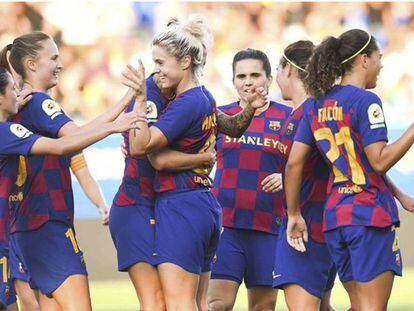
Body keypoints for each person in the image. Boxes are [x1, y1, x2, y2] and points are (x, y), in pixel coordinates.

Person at [127, 15, 268, 311]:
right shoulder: (204, 97)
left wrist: (140, 102)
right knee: (199, 303)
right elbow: (231, 127)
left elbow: (144, 148)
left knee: (179, 303)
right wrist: (248, 112)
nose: (156, 73)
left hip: (181, 204)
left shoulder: (184, 102)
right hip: (204, 203)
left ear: (186, 60)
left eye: (160, 63)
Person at [2, 31, 143, 310]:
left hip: (24, 226)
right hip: (48, 224)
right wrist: (117, 124)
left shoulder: (21, 108)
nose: (60, 63)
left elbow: (75, 136)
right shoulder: (40, 103)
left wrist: (124, 102)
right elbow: (72, 139)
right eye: (53, 57)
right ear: (31, 64)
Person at [285, 29, 414, 311]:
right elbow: (378, 161)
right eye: (379, 58)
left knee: (358, 305)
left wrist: (293, 214)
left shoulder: (315, 104)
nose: (382, 65)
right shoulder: (366, 101)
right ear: (363, 60)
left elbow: (294, 162)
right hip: (369, 216)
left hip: (336, 218)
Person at [207, 48, 290, 311]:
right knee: (218, 305)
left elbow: (308, 167)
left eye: (255, 74)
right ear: (233, 81)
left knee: (263, 307)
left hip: (269, 227)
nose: (248, 81)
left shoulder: (288, 118)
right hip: (225, 226)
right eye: (241, 75)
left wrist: (285, 177)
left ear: (269, 79)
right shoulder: (218, 116)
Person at [272, 40, 336, 311]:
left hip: (304, 226)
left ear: (287, 70)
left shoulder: (309, 112)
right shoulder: (315, 111)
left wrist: (295, 214)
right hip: (325, 222)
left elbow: (295, 166)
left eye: (277, 68)